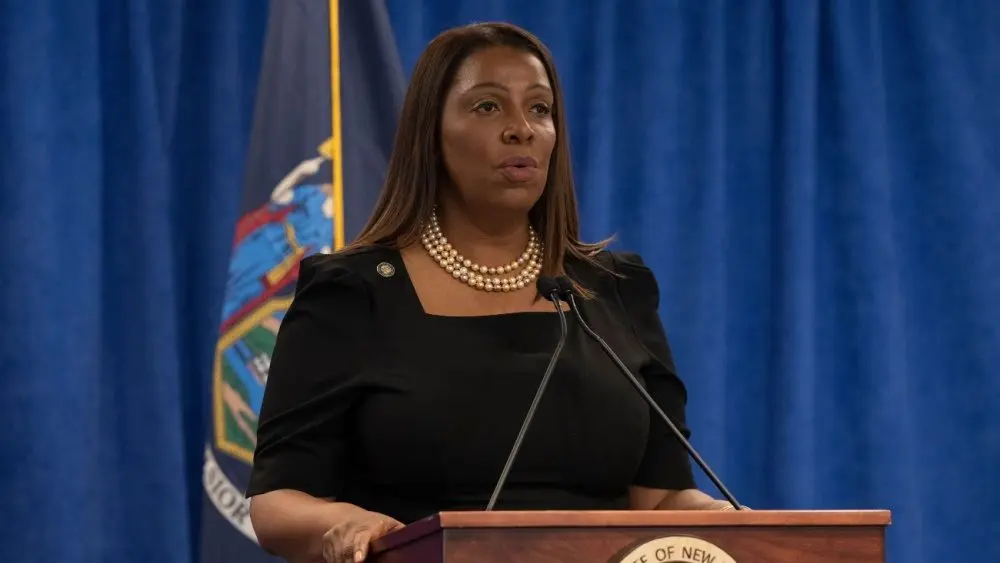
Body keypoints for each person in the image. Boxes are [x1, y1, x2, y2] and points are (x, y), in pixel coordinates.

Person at [246, 21, 738, 563]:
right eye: (487, 107)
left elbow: (661, 498)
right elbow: (277, 500)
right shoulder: (353, 293)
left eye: (540, 109)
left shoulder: (614, 289)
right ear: (430, 133)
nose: (521, 129)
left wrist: (728, 523)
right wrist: (346, 523)